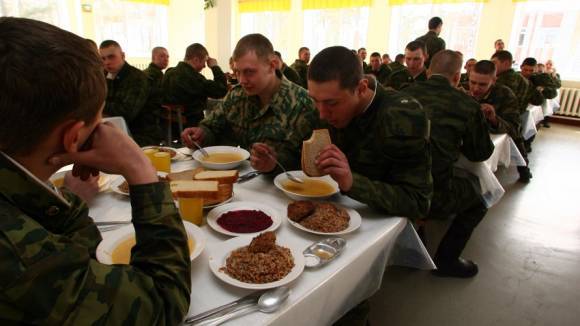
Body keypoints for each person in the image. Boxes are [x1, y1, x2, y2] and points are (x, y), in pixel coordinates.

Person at [0, 17, 191, 324]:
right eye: (99, 118)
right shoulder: (20, 256)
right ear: (74, 137)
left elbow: (82, 250)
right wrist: (140, 170)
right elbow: (164, 302)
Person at [308, 45, 431, 219]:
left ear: (361, 88)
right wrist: (273, 162)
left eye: (332, 104)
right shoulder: (324, 105)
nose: (322, 114)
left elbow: (418, 202)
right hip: (332, 216)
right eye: (315, 100)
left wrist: (352, 183)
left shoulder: (401, 116)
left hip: (383, 227)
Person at [402, 50, 494, 278]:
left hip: (396, 187)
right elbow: (480, 152)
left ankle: (415, 247)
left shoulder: (403, 96)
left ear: (428, 70)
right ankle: (447, 260)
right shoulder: (466, 105)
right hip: (435, 193)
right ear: (457, 77)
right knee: (479, 200)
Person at [181, 34, 320, 174]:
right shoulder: (237, 96)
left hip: (286, 187)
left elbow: (312, 163)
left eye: (249, 72)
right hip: (244, 183)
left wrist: (275, 163)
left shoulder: (304, 104)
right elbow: (213, 127)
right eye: (237, 72)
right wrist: (201, 135)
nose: (241, 80)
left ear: (272, 66)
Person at [468, 60, 533, 182]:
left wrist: (494, 119)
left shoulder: (505, 94)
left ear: (493, 81)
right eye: (473, 82)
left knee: (517, 140)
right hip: (470, 134)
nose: (475, 88)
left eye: (482, 84)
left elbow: (514, 128)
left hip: (494, 134)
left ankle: (523, 169)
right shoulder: (463, 88)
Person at [99, 40, 161, 146]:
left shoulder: (138, 78)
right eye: (103, 58)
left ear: (123, 56)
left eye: (111, 57)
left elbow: (126, 112)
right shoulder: (106, 75)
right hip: (116, 129)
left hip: (140, 134)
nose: (106, 62)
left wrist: (98, 105)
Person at [162, 43, 227, 129]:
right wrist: (215, 67)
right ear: (196, 60)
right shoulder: (193, 78)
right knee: (224, 105)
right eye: (204, 62)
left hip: (169, 124)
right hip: (192, 125)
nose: (204, 66)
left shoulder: (169, 73)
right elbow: (221, 90)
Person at [520, 57, 558, 128]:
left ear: (535, 69)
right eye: (525, 70)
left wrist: (543, 89)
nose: (528, 73)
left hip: (534, 109)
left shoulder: (540, 78)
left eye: (531, 70)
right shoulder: (515, 77)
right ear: (521, 67)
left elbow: (553, 93)